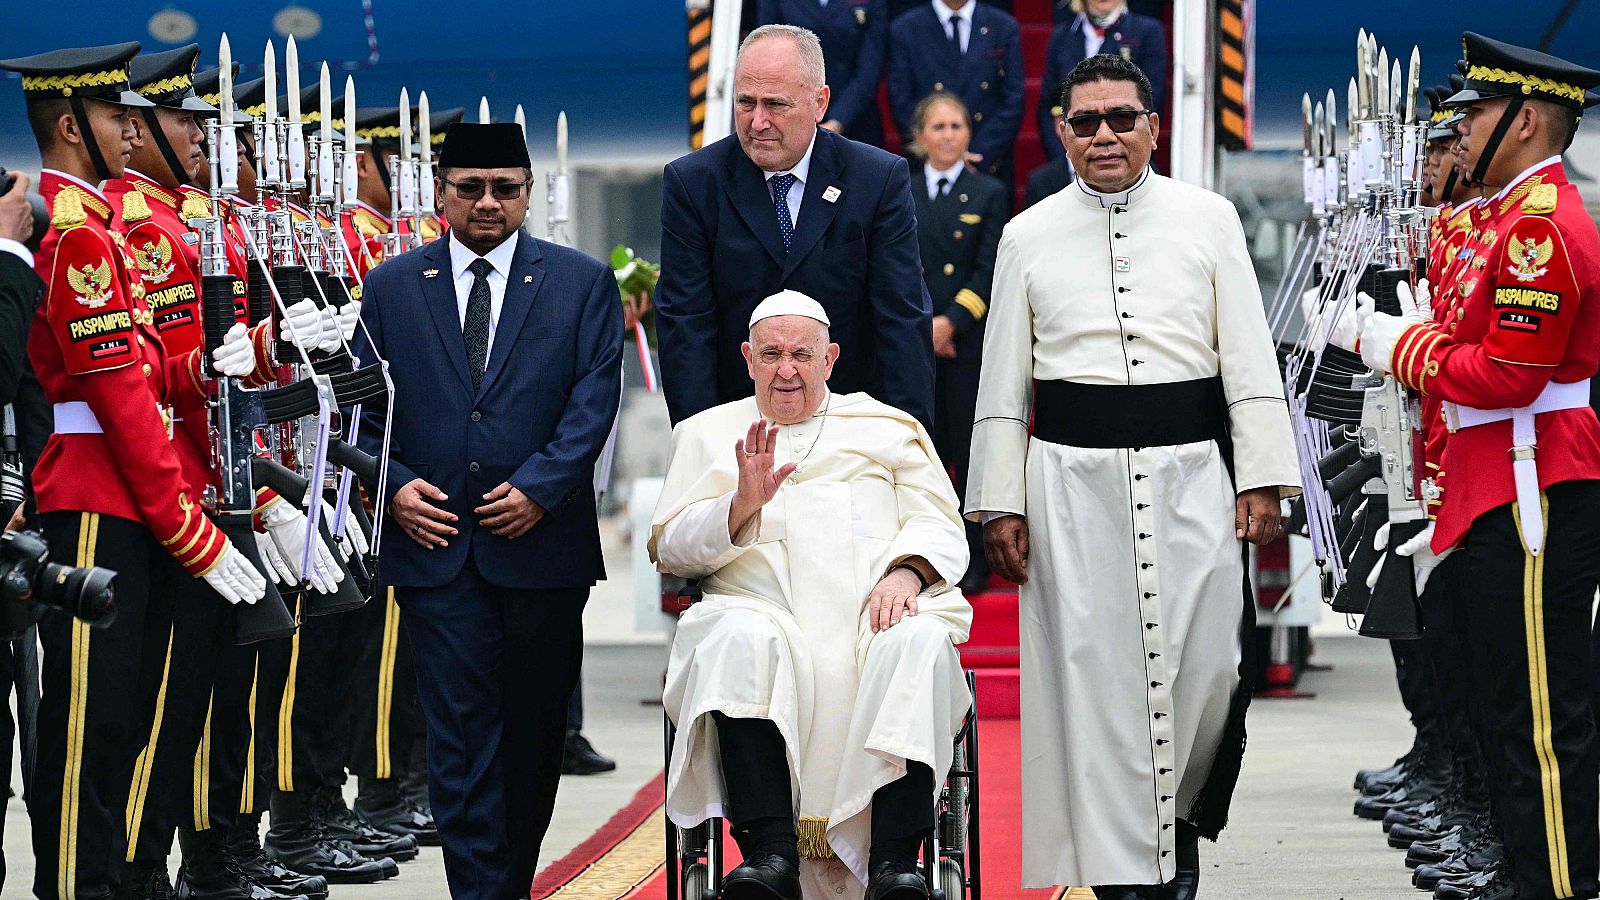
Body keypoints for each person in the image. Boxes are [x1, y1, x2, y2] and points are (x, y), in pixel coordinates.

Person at [965, 54, 1298, 898]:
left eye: (1121, 117)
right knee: (1095, 678)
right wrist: (999, 501)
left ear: (1155, 125)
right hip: (1070, 485)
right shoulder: (1026, 235)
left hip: (1193, 473)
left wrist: (1262, 476)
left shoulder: (1210, 217)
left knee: (1213, 668)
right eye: (1086, 121)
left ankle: (1178, 822)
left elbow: (1249, 359)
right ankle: (1130, 873)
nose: (1105, 134)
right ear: (1062, 134)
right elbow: (1003, 384)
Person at [0, 41, 271, 900]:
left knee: (126, 723)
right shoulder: (78, 237)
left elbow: (150, 378)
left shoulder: (101, 230)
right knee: (91, 729)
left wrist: (224, 361)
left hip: (127, 495)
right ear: (73, 126)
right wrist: (191, 529)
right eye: (117, 115)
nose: (133, 130)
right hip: (93, 500)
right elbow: (116, 401)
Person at [353, 121, 623, 900]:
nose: (487, 204)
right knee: (458, 736)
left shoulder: (580, 282)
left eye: (505, 188)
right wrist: (394, 484)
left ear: (529, 194)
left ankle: (506, 882)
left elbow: (594, 397)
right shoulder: (394, 285)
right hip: (436, 546)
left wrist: (542, 486)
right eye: (470, 188)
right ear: (440, 193)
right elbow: (364, 411)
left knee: (533, 736)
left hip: (543, 550)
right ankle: (479, 890)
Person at [1358, 33, 1600, 900]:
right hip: (1496, 479)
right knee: (1507, 711)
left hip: (1534, 483)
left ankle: (1559, 889)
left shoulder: (1541, 230)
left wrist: (1399, 344)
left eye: (1479, 115)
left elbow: (1506, 374)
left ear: (1527, 121)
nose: (1459, 132)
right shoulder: (1506, 218)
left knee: (1539, 720)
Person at [652, 290, 972, 900]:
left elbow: (939, 523)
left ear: (832, 358)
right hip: (759, 611)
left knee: (919, 641)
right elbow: (672, 549)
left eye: (802, 353)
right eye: (770, 354)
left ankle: (895, 862)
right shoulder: (707, 433)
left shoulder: (888, 429)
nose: (786, 369)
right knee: (735, 638)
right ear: (747, 358)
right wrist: (740, 505)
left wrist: (907, 573)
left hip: (873, 616)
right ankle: (770, 856)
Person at [657, 23, 934, 431]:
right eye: (745, 102)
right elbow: (686, 325)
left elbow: (901, 320)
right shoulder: (694, 184)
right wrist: (699, 440)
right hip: (738, 427)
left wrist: (907, 440)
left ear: (820, 103)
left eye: (775, 104)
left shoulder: (877, 179)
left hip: (852, 425)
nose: (757, 122)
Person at [908, 91, 1007, 592]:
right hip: (912, 340)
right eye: (938, 127)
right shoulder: (898, 186)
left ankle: (971, 557)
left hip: (965, 343)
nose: (948, 136)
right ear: (921, 136)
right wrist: (923, 324)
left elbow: (990, 268)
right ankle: (922, 554)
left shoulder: (988, 191)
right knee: (922, 450)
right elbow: (894, 263)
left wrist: (951, 324)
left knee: (968, 452)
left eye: (957, 127)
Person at [888, 0, 1024, 190]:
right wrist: (943, 151)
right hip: (927, 168)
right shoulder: (905, 28)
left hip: (987, 164)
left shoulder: (1003, 26)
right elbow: (901, 100)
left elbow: (1013, 99)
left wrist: (976, 153)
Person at [1037, 0, 1168, 163]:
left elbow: (1152, 100)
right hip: (1071, 152)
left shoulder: (1147, 31)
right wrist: (1066, 159)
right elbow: (1048, 103)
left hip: (1125, 151)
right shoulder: (1063, 35)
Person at [756, 0, 890, 148]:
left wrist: (837, 122)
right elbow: (769, 54)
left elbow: (869, 70)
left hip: (854, 120)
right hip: (791, 117)